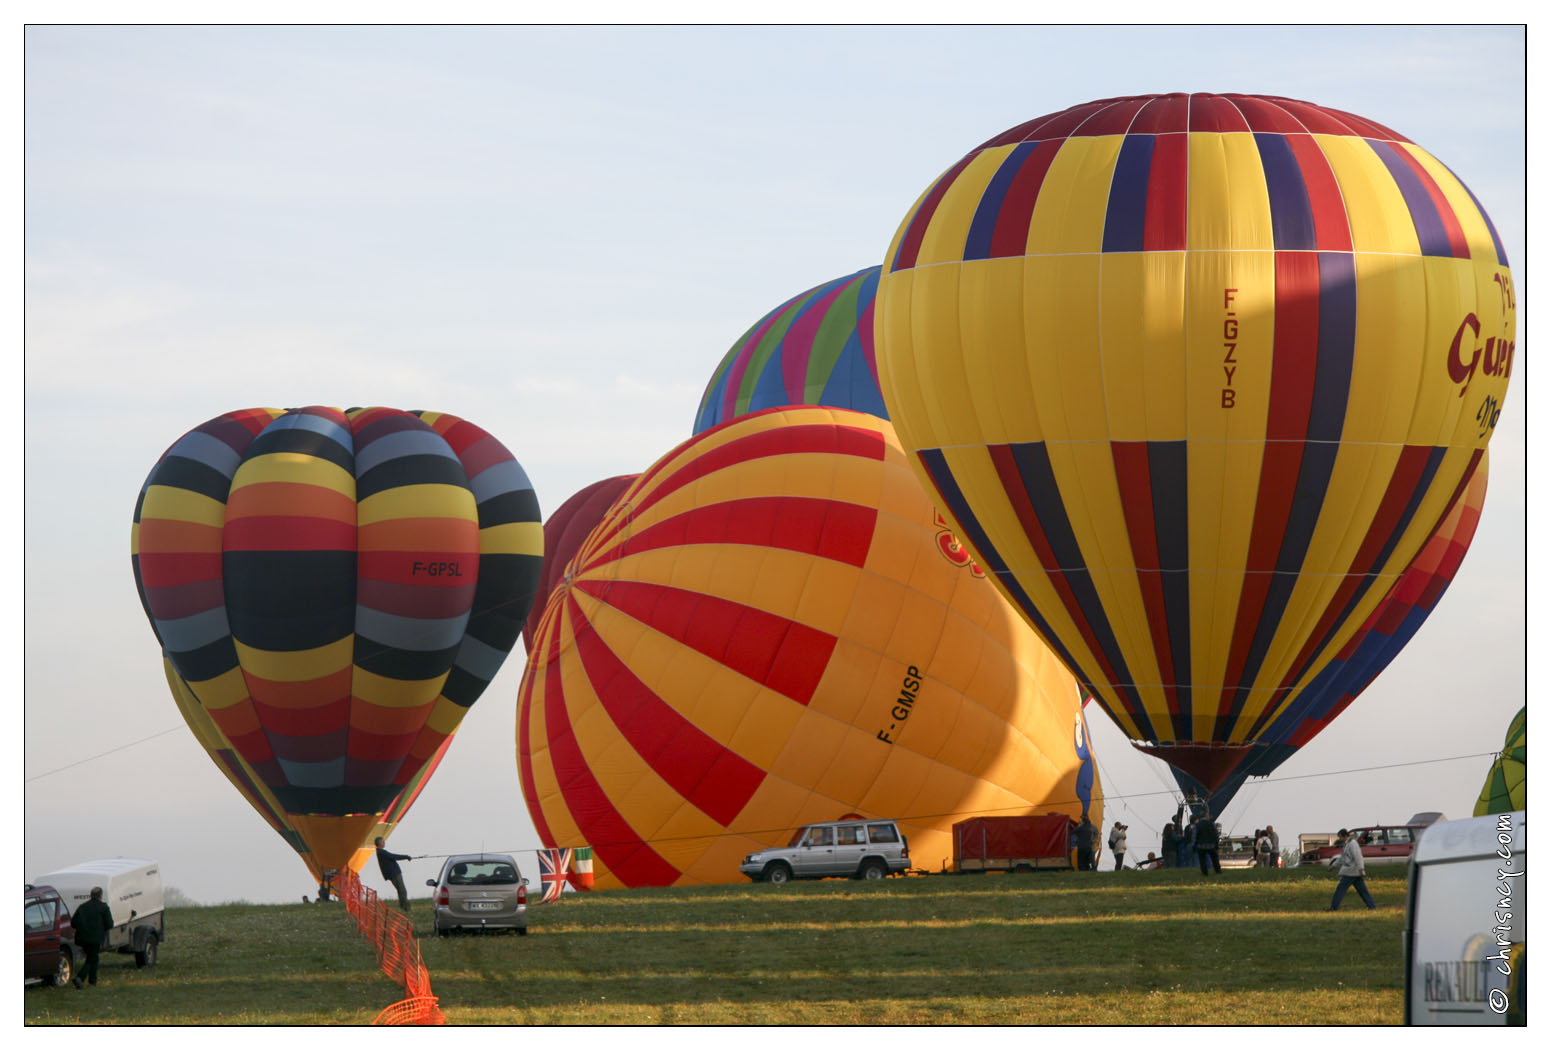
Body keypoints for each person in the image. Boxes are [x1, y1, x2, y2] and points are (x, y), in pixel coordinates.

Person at [70, 886, 115, 988]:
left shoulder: (82, 907)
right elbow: (110, 924)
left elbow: (73, 923)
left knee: (93, 957)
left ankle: (92, 982)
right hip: (95, 939)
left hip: (82, 939)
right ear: (100, 896)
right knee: (92, 958)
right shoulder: (103, 907)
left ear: (91, 895)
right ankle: (79, 978)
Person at [1326, 829, 1376, 910]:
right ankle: (1371, 906)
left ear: (1344, 836)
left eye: (1340, 837)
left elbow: (1358, 857)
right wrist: (1333, 866)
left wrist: (1361, 869)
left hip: (1351, 871)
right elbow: (1342, 857)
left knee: (1340, 890)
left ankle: (1333, 907)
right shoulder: (1347, 844)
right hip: (1354, 871)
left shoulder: (1353, 844)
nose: (1340, 839)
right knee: (1362, 891)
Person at [375, 836, 414, 911]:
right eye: (383, 841)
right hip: (394, 874)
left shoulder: (381, 852)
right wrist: (406, 857)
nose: (384, 843)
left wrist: (406, 857)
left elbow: (392, 857)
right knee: (402, 890)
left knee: (400, 890)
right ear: (379, 843)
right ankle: (406, 907)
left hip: (394, 873)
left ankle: (403, 907)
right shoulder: (381, 852)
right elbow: (393, 856)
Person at [1195, 811, 1222, 875]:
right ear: (1206, 816)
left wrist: (1194, 844)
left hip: (1201, 845)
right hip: (1211, 845)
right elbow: (1215, 834)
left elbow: (1195, 835)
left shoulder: (1198, 825)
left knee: (1202, 860)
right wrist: (1216, 844)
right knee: (1214, 859)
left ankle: (1205, 872)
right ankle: (1218, 871)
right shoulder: (1211, 824)